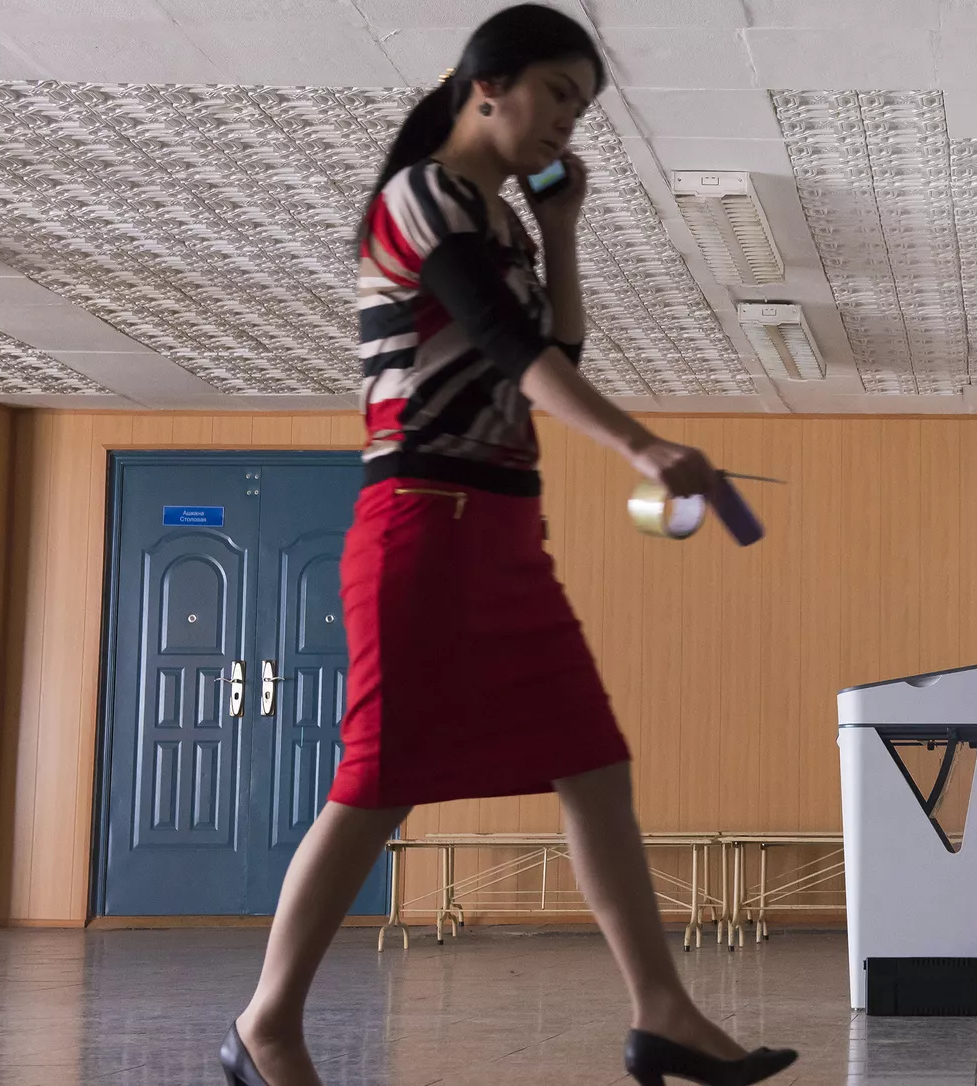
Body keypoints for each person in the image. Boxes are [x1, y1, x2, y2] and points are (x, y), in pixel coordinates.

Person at [219, 6, 797, 1085]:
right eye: (559, 94)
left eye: (583, 106)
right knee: (378, 778)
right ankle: (267, 1023)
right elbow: (505, 345)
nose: (570, 121)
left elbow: (555, 343)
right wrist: (639, 445)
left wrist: (561, 228)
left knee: (594, 761)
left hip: (499, 532)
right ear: (488, 84)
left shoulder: (503, 221)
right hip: (421, 523)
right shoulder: (425, 195)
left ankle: (663, 1011)